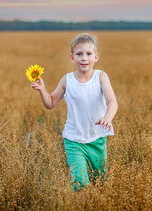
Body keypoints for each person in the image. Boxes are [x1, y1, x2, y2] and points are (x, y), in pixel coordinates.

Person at [31, 33, 118, 191]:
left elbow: (112, 102)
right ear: (72, 58)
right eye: (79, 54)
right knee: (79, 183)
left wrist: (107, 117)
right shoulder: (67, 80)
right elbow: (50, 103)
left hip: (97, 138)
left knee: (101, 181)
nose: (84, 58)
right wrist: (42, 90)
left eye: (88, 54)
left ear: (96, 57)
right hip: (73, 140)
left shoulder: (101, 77)